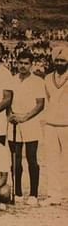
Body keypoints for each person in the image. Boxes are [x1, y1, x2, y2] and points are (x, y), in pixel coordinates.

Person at [8, 51, 45, 206]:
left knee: (31, 158)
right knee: (15, 160)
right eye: (20, 63)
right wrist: (11, 115)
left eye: (26, 63)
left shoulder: (37, 81)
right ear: (16, 63)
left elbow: (40, 104)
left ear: (31, 64)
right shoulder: (12, 79)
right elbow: (7, 100)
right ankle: (17, 192)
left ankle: (33, 194)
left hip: (30, 122)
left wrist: (25, 117)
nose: (22, 66)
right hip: (14, 121)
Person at [42, 46, 68, 205]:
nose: (59, 63)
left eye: (63, 60)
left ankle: (65, 193)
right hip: (51, 124)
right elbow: (47, 101)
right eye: (57, 60)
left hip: (67, 124)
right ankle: (53, 194)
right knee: (51, 160)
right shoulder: (47, 78)